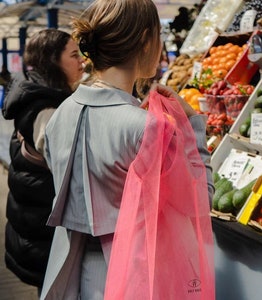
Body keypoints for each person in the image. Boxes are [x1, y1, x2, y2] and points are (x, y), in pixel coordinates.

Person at [40, 0, 215, 299]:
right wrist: (192, 126)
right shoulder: (148, 128)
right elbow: (199, 200)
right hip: (135, 277)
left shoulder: (59, 115)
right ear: (147, 40)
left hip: (71, 271)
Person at [1, 28, 84, 295]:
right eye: (74, 55)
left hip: (34, 230)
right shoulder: (48, 113)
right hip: (44, 238)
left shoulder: (38, 97)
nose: (82, 61)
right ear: (53, 62)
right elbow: (72, 171)